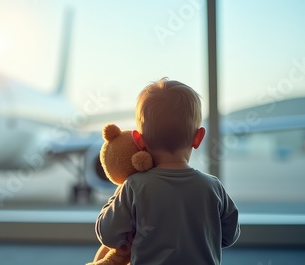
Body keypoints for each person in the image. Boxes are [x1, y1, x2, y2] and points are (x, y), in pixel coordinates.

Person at [94, 78, 240, 264]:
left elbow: (108, 235)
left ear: (138, 140)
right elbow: (229, 236)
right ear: (198, 138)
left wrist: (116, 198)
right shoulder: (213, 187)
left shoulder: (134, 186)